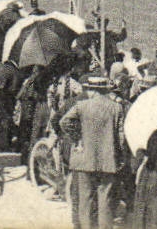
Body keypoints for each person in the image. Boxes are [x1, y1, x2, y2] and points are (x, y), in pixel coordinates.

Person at [59, 75, 128, 229]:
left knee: (85, 200)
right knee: (105, 201)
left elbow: (63, 122)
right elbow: (121, 137)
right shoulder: (116, 108)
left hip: (84, 159)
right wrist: (120, 156)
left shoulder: (81, 106)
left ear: (92, 90)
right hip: (108, 160)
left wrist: (77, 137)